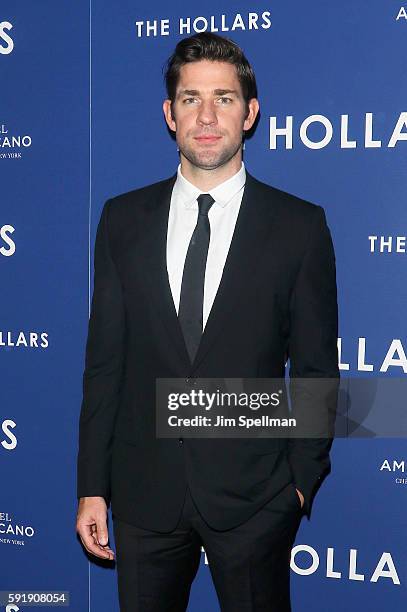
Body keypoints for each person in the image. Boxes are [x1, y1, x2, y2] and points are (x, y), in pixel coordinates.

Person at [76, 32, 339, 611]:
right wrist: (93, 487)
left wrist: (298, 485)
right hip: (144, 498)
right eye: (191, 99)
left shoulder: (299, 227)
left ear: (251, 113)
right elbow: (105, 363)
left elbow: (318, 369)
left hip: (255, 500)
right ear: (170, 115)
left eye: (224, 98)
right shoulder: (123, 219)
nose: (207, 115)